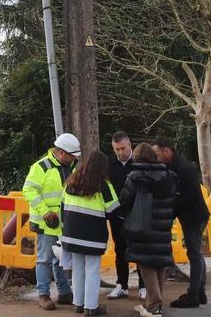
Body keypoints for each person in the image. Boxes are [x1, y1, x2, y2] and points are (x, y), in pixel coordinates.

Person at [118, 143, 178, 317]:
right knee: (159, 263)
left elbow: (125, 200)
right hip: (163, 225)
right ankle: (156, 304)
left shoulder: (135, 177)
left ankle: (154, 305)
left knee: (145, 264)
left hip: (142, 225)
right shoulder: (168, 176)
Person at [23, 133, 79, 310]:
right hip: (46, 223)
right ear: (62, 153)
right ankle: (43, 295)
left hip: (63, 222)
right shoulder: (41, 167)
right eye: (72, 156)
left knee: (60, 258)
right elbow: (28, 190)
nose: (74, 159)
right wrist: (45, 212)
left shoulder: (70, 166)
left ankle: (64, 292)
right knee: (45, 259)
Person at [152, 137, 210, 308]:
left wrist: (171, 208)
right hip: (189, 215)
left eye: (157, 154)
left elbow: (191, 195)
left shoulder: (185, 168)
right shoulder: (170, 166)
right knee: (196, 253)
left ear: (167, 151)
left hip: (194, 216)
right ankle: (199, 292)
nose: (156, 158)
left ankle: (194, 295)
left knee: (194, 253)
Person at [61, 151, 120, 316]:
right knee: (92, 270)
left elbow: (62, 206)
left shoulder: (71, 181)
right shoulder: (104, 185)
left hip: (71, 234)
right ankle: (91, 307)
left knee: (77, 269)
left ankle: (78, 304)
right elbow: (114, 210)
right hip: (93, 236)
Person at [106, 131, 146, 301]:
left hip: (137, 213)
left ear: (130, 145)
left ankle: (144, 285)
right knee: (120, 249)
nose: (120, 152)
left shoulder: (139, 162)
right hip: (116, 214)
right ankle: (122, 285)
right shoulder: (109, 164)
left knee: (139, 249)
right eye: (116, 149)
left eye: (123, 148)